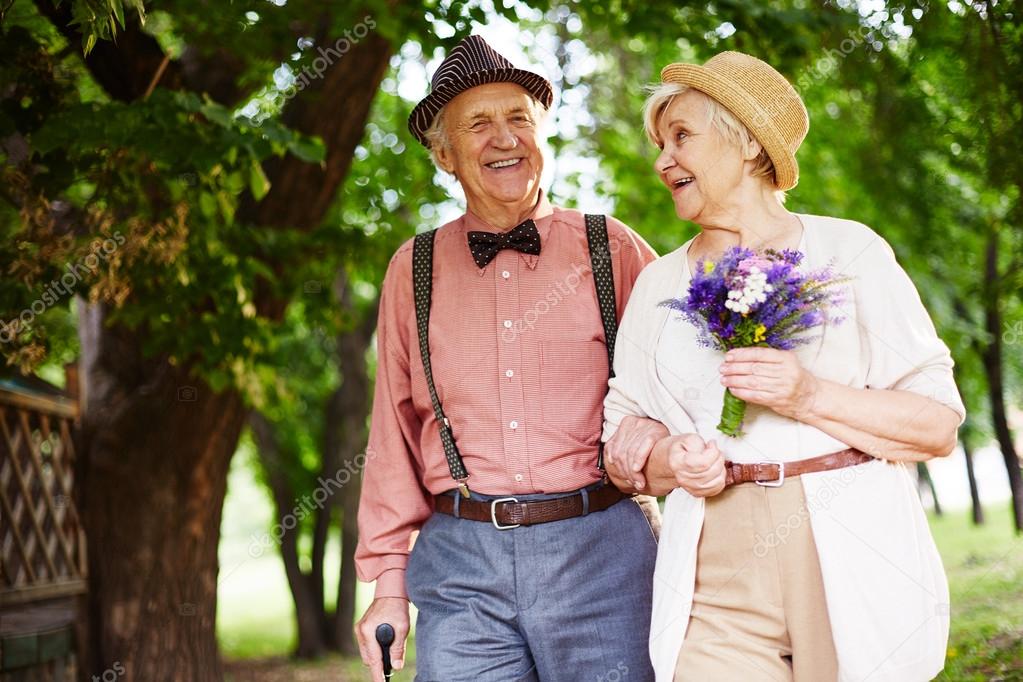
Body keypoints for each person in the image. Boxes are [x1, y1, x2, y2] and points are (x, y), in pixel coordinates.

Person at [600, 51, 965, 682]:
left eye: (681, 137)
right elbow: (622, 434)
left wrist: (807, 395)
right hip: (713, 559)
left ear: (744, 140)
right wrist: (672, 457)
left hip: (848, 541)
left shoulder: (851, 251)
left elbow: (935, 425)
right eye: (660, 143)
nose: (662, 161)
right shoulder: (658, 282)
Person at [353, 35, 665, 682]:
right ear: (444, 155)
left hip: (604, 551)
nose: (505, 139)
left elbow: (682, 393)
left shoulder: (613, 251)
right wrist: (386, 582)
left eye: (519, 118)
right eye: (479, 124)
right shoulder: (412, 269)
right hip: (461, 565)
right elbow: (393, 432)